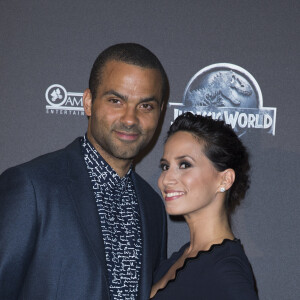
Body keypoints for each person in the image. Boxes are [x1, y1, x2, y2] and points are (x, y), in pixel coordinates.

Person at [0, 43, 168, 300]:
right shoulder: (32, 187)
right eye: (116, 101)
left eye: (145, 106)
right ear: (88, 102)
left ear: (161, 112)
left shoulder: (153, 206)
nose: (130, 119)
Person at [150, 112, 259, 299]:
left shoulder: (225, 270)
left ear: (225, 179)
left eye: (184, 165)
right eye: (165, 166)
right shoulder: (179, 259)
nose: (166, 179)